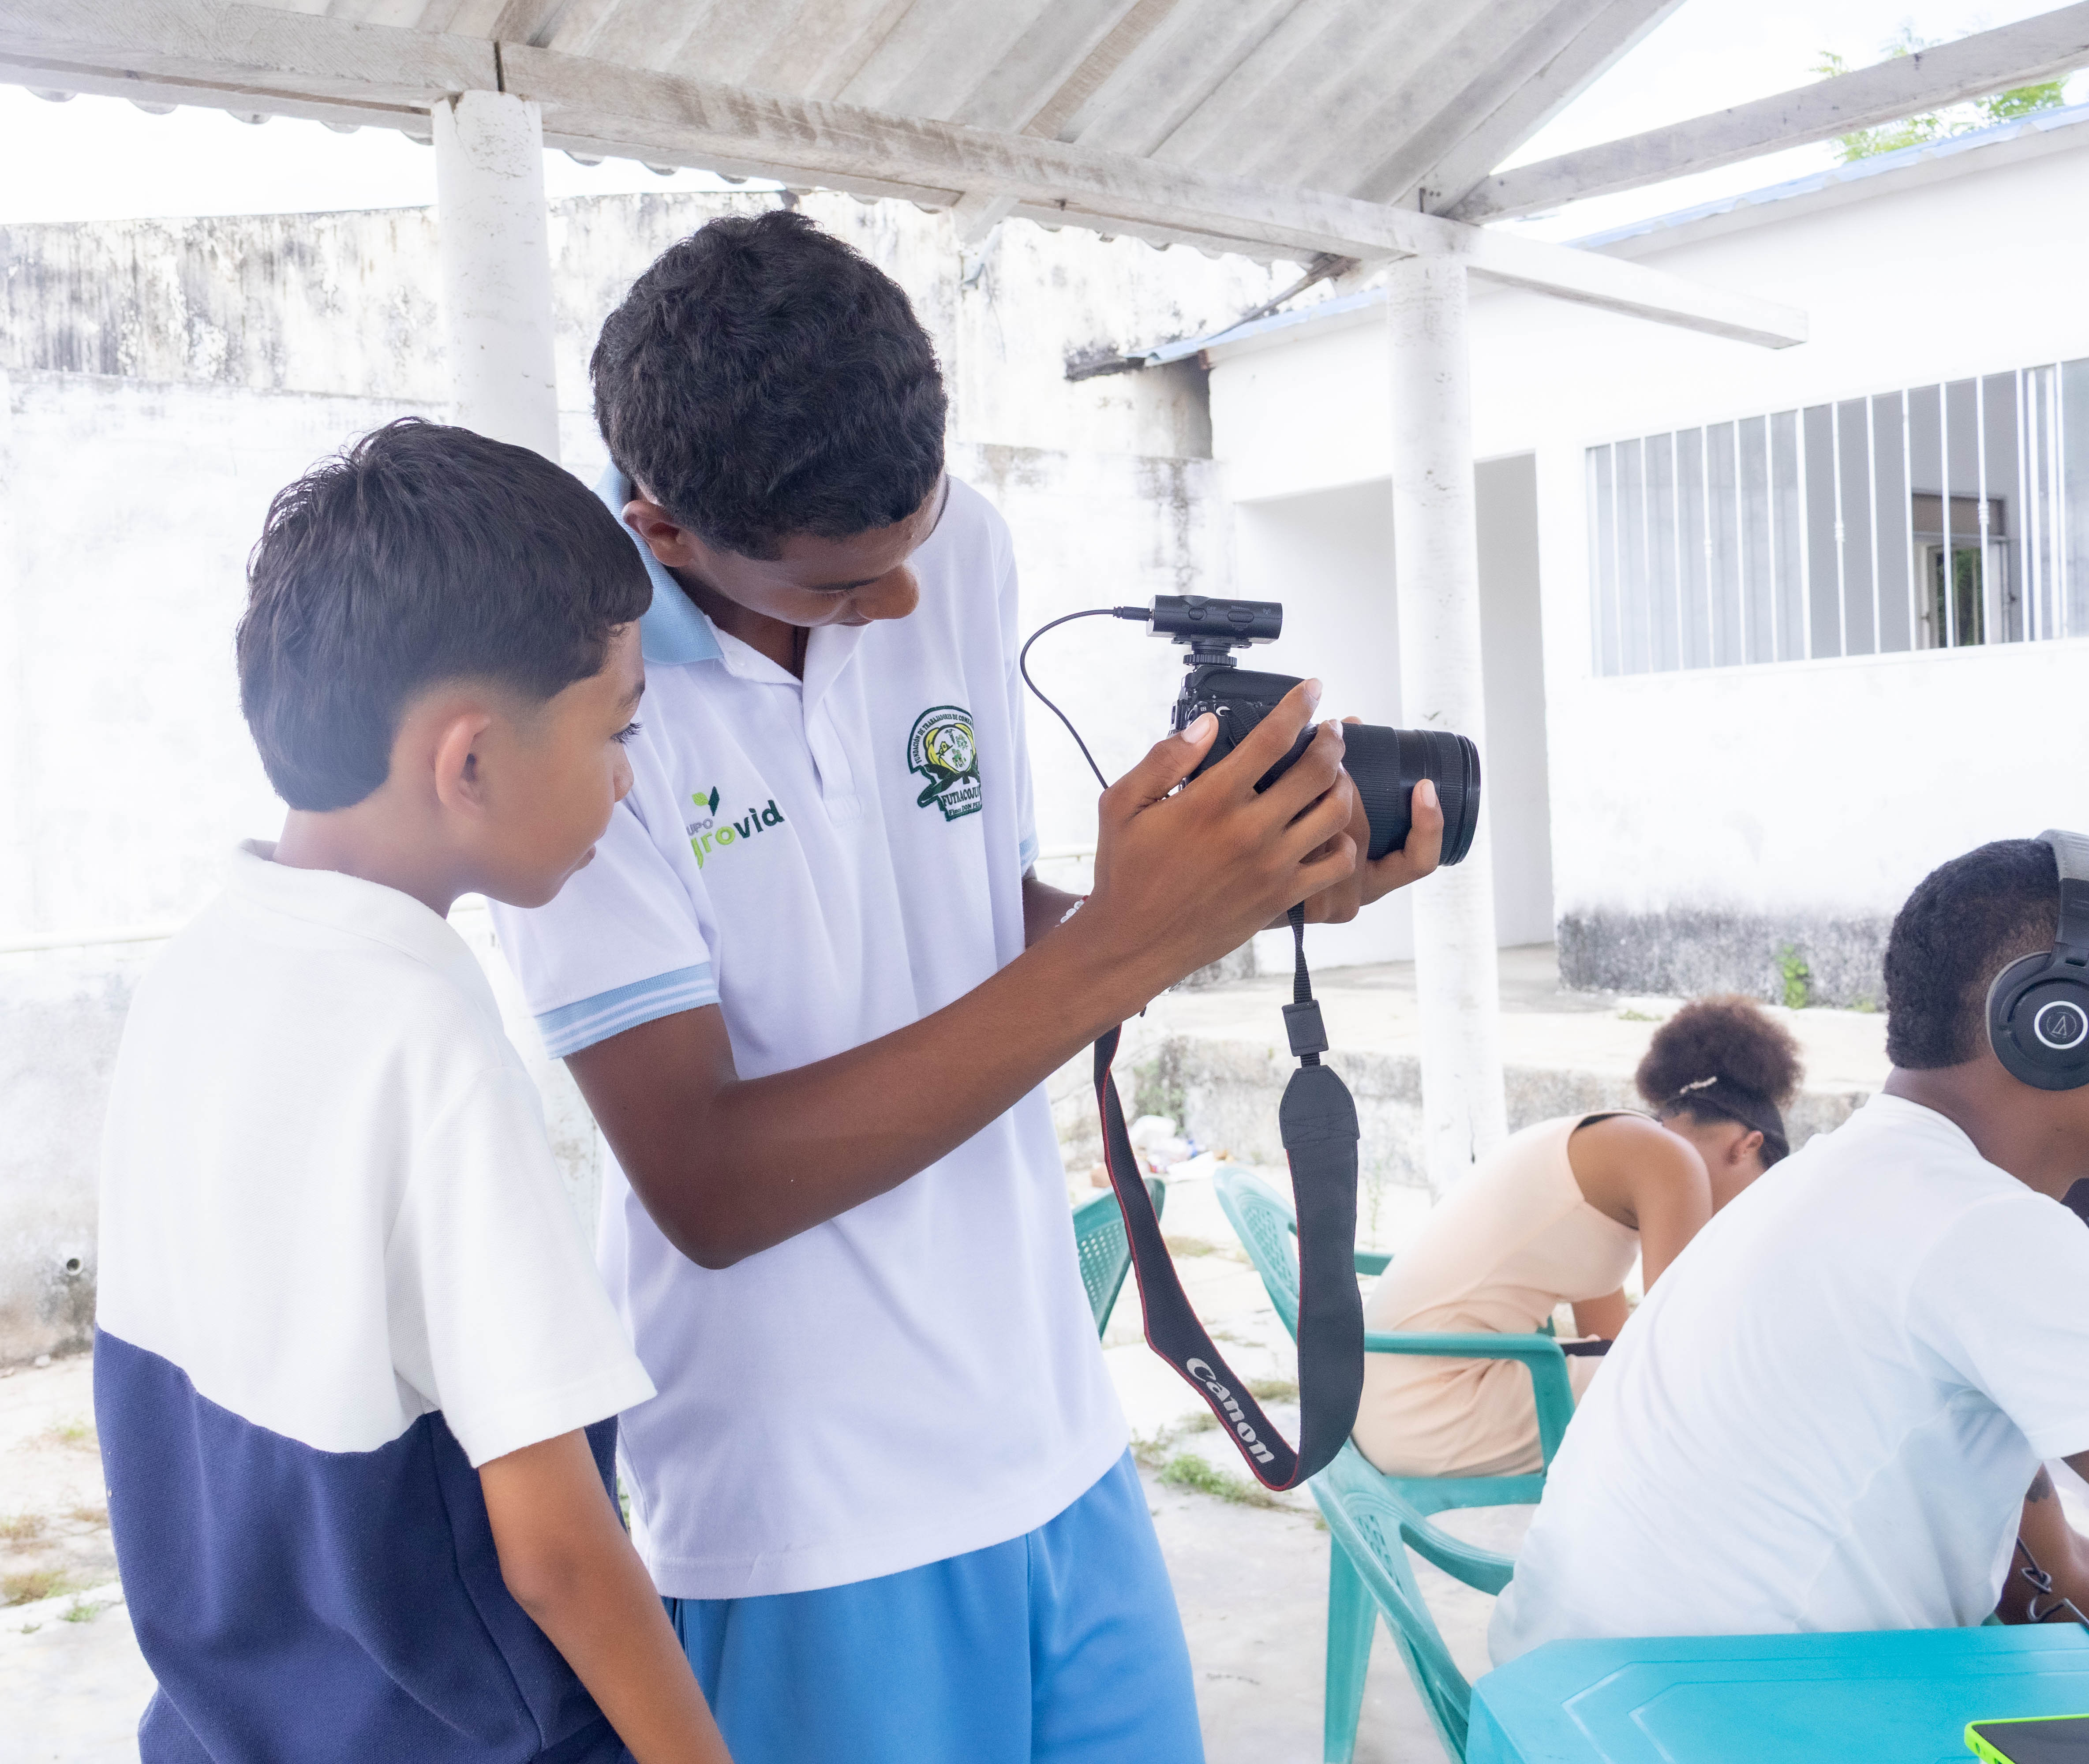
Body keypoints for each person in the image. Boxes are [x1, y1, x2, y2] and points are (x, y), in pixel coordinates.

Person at [490, 211, 1437, 1764]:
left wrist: (1233, 893)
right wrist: (1124, 943)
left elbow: (982, 924)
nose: (905, 607)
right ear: (662, 532)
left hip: (1054, 1448)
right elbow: (707, 1179)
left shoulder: (958, 552)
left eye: (916, 544)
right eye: (849, 590)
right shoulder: (572, 697)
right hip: (808, 1517)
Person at [93, 420, 731, 1764]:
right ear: (470, 762)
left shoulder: (199, 966)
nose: (626, 779)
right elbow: (556, 1545)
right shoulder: (424, 1038)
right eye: (617, 729)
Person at [1489, 837, 2089, 1665]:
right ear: (2057, 1026)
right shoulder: (1980, 1229)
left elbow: (2048, 1577)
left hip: (1580, 1715)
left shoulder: (1853, 1178)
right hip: (1719, 1727)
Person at [1353, 994, 1801, 1478]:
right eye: (1756, 1191)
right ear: (1747, 1147)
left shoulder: (1616, 1151)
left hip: (1386, 1394)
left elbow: (1611, 1342)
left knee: (1704, 1403)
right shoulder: (1670, 1162)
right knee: (1717, 1407)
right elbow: (1678, 1342)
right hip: (1431, 1408)